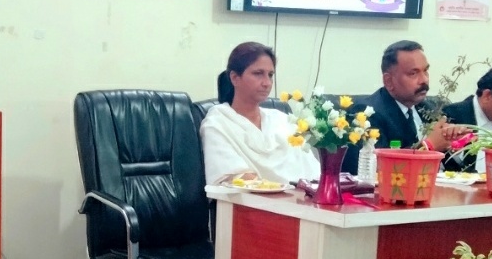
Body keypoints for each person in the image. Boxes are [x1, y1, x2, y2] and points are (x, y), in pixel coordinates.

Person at [199, 42, 320, 185]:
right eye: (258, 73)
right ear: (235, 78)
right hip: (248, 198)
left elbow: (314, 174)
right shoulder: (217, 123)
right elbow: (233, 178)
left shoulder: (282, 120)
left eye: (270, 75)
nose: (267, 83)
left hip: (303, 197)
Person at [343, 40, 466, 174]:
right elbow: (376, 169)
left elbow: (454, 167)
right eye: (413, 73)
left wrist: (455, 143)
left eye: (425, 71)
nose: (424, 79)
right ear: (389, 81)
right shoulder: (367, 115)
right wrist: (429, 146)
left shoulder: (430, 109)